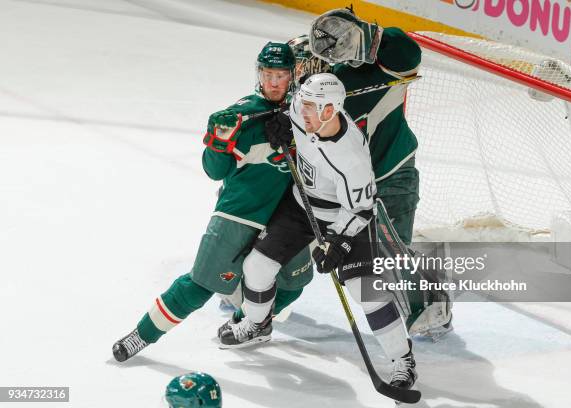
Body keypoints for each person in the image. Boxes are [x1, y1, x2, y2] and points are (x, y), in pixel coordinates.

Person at [218, 8, 452, 341]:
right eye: (291, 75)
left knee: (382, 264)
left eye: (301, 72)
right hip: (328, 190)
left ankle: (428, 291)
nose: (293, 83)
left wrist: (369, 39)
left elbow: (407, 55)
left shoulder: (368, 79)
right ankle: (256, 299)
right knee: (270, 223)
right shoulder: (294, 104)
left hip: (389, 179)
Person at [111, 42, 313, 362]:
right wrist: (218, 144)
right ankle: (142, 335)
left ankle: (249, 324)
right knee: (201, 284)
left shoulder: (305, 112)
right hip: (238, 215)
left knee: (295, 282)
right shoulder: (241, 114)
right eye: (268, 74)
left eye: (282, 75)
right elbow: (214, 171)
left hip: (287, 217)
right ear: (258, 75)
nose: (274, 82)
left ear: (292, 77)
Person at [219, 73, 418, 391]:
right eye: (303, 104)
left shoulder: (351, 156)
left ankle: (402, 359)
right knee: (256, 267)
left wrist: (338, 243)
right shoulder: (302, 108)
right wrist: (279, 123)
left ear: (330, 111)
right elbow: (285, 110)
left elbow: (361, 209)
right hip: (302, 206)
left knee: (365, 291)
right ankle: (258, 322)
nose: (303, 111)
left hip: (346, 217)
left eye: (311, 107)